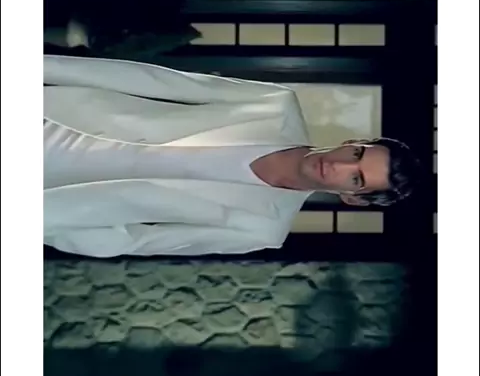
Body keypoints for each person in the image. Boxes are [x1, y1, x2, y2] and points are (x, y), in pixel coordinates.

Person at [44, 54, 420, 258]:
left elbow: (139, 242)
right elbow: (157, 81)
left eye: (355, 178)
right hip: (54, 118)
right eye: (356, 153)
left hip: (51, 195)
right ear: (352, 141)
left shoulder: (262, 230)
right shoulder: (275, 104)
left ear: (353, 198)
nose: (338, 164)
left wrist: (49, 223)